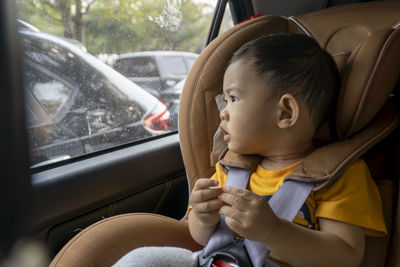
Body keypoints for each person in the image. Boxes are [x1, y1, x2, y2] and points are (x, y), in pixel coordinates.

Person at [113, 33, 387, 267]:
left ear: (285, 112)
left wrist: (273, 230)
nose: (223, 113)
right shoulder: (232, 168)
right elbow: (201, 237)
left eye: (234, 98)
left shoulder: (339, 177)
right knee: (143, 259)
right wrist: (202, 215)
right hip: (217, 259)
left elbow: (346, 256)